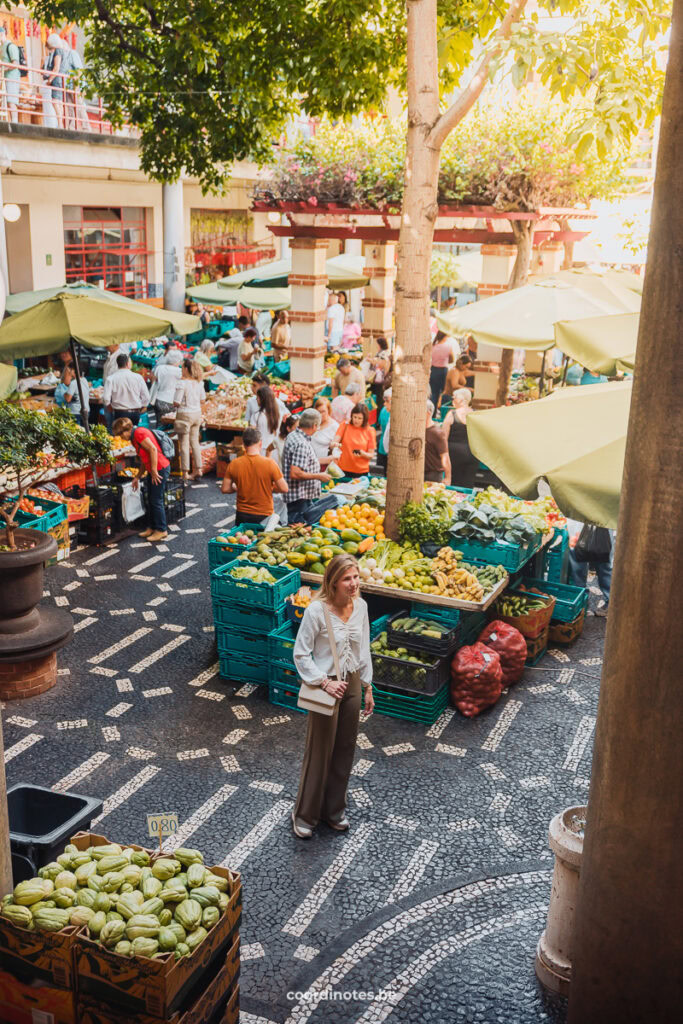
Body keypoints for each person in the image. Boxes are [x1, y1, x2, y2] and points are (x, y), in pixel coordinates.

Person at [291, 554, 374, 839]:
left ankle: (334, 809)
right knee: (320, 751)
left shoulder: (361, 607)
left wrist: (367, 686)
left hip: (350, 683)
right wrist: (323, 682)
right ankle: (304, 814)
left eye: (356, 577)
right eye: (347, 579)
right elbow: (300, 653)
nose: (354, 583)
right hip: (326, 685)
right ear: (333, 582)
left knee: (345, 748)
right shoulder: (317, 611)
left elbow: (363, 649)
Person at [112, 417, 170, 542]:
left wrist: (154, 471)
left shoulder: (139, 434)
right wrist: (137, 477)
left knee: (156, 500)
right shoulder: (134, 437)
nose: (121, 438)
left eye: (120, 435)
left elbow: (153, 450)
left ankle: (161, 530)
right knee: (149, 498)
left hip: (160, 468)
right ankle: (152, 527)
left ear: (125, 431)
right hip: (153, 469)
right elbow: (145, 459)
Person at [221, 426, 288, 525]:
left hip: (242, 514)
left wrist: (237, 487)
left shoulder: (234, 464)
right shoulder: (270, 463)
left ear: (243, 444)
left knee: (242, 538)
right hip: (264, 515)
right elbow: (284, 488)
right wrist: (268, 487)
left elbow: (225, 489)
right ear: (260, 443)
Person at [282, 408, 331, 523]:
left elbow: (304, 462)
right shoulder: (301, 443)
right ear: (314, 426)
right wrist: (318, 476)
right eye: (318, 426)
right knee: (299, 528)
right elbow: (295, 473)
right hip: (299, 498)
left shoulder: (294, 435)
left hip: (300, 496)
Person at [568, 524, 612, 616]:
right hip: (599, 522)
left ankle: (581, 603)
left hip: (585, 523)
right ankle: (581, 602)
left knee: (579, 567)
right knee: (603, 563)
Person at [173, 359, 205, 480]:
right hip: (197, 414)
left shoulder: (182, 383)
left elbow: (176, 402)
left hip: (185, 415)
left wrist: (177, 403)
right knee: (195, 442)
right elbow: (203, 400)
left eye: (182, 368)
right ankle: (198, 469)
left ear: (186, 369)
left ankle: (185, 473)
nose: (181, 370)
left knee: (184, 444)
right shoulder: (199, 383)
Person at [442, 388, 479, 489]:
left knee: (453, 486)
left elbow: (443, 438)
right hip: (472, 455)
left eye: (454, 398)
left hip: (454, 456)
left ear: (461, 400)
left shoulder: (452, 414)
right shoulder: (476, 415)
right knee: (468, 486)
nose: (453, 400)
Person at [104, 353, 150, 426]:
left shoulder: (111, 378)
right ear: (128, 364)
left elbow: (106, 398)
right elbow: (146, 397)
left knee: (120, 435)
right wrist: (143, 407)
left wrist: (110, 408)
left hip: (119, 413)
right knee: (132, 435)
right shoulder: (138, 377)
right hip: (135, 413)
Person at [335, 403, 376, 478]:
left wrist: (363, 453)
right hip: (342, 470)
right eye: (355, 417)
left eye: (360, 418)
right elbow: (335, 441)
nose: (356, 420)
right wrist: (334, 444)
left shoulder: (370, 431)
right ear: (351, 416)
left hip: (361, 472)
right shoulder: (345, 425)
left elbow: (371, 455)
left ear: (365, 419)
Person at [43, 34, 72, 128]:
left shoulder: (58, 51)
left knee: (55, 101)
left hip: (57, 79)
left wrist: (50, 79)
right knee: (60, 101)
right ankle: (62, 123)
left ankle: (60, 123)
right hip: (62, 78)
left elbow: (56, 67)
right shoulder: (64, 51)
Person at [153, 349, 183, 424]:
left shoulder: (159, 368)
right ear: (178, 361)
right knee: (170, 423)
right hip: (170, 401)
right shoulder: (179, 371)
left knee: (159, 422)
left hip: (158, 399)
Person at [424, 399, 451, 484]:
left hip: (432, 475)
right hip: (418, 473)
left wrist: (447, 478)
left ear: (427, 414)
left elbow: (445, 456)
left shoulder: (437, 433)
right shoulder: (417, 430)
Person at [253, 385, 283, 457]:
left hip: (260, 450)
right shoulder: (278, 414)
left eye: (257, 397)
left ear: (262, 399)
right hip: (274, 450)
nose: (256, 399)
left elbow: (252, 435)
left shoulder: (257, 416)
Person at [1, 25, 21, 124]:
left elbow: (15, 64)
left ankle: (14, 122)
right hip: (4, 79)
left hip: (12, 78)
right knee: (5, 102)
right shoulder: (2, 47)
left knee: (11, 101)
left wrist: (3, 69)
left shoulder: (10, 46)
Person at [310, 397, 339, 465]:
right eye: (318, 412)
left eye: (323, 411)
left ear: (328, 411)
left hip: (324, 465)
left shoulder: (335, 427)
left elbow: (336, 451)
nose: (320, 414)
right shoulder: (313, 422)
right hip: (310, 463)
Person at [430, 330, 454, 408]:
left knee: (434, 393)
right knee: (444, 391)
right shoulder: (448, 347)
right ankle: (442, 410)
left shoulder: (433, 346)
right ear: (444, 337)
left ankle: (433, 412)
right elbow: (452, 359)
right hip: (443, 371)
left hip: (433, 371)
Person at [376, 387, 391, 472]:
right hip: (384, 449)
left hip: (383, 448)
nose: (384, 404)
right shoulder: (385, 410)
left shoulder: (383, 410)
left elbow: (381, 426)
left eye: (387, 401)